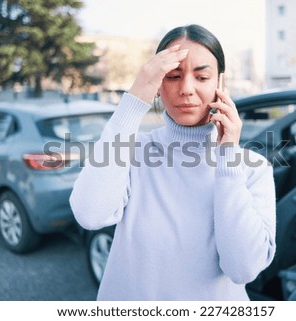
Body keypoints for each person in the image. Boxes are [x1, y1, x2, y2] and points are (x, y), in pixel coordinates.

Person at [69, 24, 276, 300]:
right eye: (173, 76)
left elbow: (243, 268)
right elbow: (89, 214)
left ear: (220, 83)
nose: (186, 89)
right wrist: (136, 96)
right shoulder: (132, 151)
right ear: (157, 84)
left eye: (202, 77)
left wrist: (228, 158)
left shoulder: (252, 168)